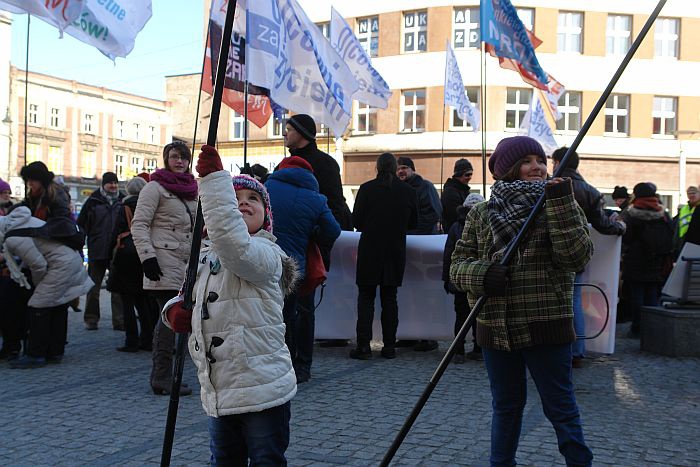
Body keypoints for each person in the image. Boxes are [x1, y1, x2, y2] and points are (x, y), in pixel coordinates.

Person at [450, 136, 594, 467]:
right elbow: (457, 267)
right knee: (506, 406)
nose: (537, 167)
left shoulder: (557, 204)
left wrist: (560, 203)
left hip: (545, 326)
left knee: (559, 405)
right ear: (508, 169)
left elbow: (576, 258)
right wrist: (483, 274)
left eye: (540, 160)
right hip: (494, 329)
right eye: (528, 160)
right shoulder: (482, 213)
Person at [163, 145, 297, 465]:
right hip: (220, 389)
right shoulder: (206, 257)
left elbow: (234, 245)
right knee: (223, 460)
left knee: (266, 459)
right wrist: (174, 313)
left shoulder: (267, 254)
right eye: (235, 200)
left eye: (253, 200)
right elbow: (187, 298)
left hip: (262, 388)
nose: (243, 204)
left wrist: (214, 182)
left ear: (266, 216)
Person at [265, 156, 340, 382]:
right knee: (303, 314)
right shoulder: (316, 198)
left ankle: (277, 365)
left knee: (272, 315)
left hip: (265, 261)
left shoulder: (266, 188)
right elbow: (333, 231)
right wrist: (312, 233)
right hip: (296, 267)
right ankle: (302, 366)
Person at [131, 141, 198, 396]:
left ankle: (174, 374)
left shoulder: (194, 188)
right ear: (165, 159)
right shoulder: (154, 187)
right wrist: (147, 258)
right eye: (173, 157)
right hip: (162, 261)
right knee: (168, 319)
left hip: (188, 263)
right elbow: (139, 225)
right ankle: (162, 377)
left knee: (182, 319)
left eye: (183, 157)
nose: (179, 161)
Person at [551, 147, 626, 368]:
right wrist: (620, 226)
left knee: (549, 302)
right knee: (574, 302)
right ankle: (577, 352)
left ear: (557, 162)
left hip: (549, 252)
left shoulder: (548, 185)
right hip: (576, 254)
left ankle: (550, 350)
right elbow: (603, 224)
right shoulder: (589, 191)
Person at [284, 113, 353, 349]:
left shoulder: (325, 164)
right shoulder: (286, 163)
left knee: (303, 306)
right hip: (284, 244)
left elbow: (335, 206)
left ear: (302, 134)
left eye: (289, 129)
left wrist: (319, 239)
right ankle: (287, 358)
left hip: (310, 246)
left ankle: (302, 360)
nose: (285, 133)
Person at [1, 207, 93, 368]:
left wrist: (37, 285)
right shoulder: (22, 221)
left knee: (38, 305)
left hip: (60, 266)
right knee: (57, 304)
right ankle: (55, 352)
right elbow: (34, 252)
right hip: (69, 261)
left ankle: (36, 355)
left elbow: (38, 265)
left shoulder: (11, 238)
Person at [350, 153, 418, 360]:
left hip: (370, 249)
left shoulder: (366, 189)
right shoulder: (408, 191)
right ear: (395, 168)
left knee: (366, 298)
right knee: (390, 299)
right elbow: (413, 223)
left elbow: (357, 222)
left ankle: (363, 346)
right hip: (394, 250)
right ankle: (389, 346)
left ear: (377, 167)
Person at [396, 155, 441, 352]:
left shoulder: (426, 187)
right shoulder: (397, 189)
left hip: (423, 249)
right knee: (407, 294)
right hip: (405, 249)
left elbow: (433, 214)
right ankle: (409, 335)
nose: (401, 172)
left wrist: (412, 234)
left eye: (405, 167)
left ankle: (428, 337)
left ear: (412, 169)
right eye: (398, 169)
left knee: (425, 294)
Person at [107, 176, 156, 352]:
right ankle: (147, 339)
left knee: (127, 302)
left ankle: (131, 340)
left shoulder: (124, 206)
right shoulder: (151, 205)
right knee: (143, 301)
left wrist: (109, 256)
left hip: (126, 257)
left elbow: (115, 232)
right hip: (145, 254)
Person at [620, 182, 673, 338]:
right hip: (657, 260)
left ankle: (637, 327)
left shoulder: (631, 213)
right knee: (652, 294)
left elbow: (626, 237)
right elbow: (671, 234)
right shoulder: (663, 213)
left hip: (635, 260)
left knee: (637, 294)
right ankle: (652, 329)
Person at [77, 172, 125, 331]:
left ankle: (119, 321)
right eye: (110, 183)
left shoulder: (122, 200)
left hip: (116, 250)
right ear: (103, 184)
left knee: (117, 288)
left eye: (115, 183)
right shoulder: (92, 201)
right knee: (93, 288)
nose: (113, 186)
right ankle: (91, 319)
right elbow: (82, 224)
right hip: (97, 249)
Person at [443, 193, 484, 363]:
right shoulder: (486, 222)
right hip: (479, 278)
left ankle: (458, 351)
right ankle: (478, 349)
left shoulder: (455, 226)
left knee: (461, 315)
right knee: (479, 316)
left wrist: (447, 278)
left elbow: (448, 253)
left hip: (460, 278)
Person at [441, 158, 473, 232]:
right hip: (455, 234)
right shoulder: (449, 192)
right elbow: (455, 215)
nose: (470, 177)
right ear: (458, 174)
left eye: (471, 174)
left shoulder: (465, 190)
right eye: (467, 175)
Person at [672, 186, 699, 256]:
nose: (691, 195)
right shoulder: (684, 209)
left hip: (697, 241)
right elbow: (678, 227)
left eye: (694, 193)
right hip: (683, 241)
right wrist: (675, 244)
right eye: (689, 193)